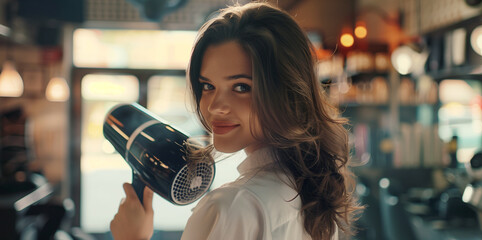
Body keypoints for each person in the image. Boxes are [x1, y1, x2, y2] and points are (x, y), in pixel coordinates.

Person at [110, 2, 362, 239]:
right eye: (208, 86)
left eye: (241, 87)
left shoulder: (232, 206)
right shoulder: (312, 198)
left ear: (287, 92)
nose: (215, 106)